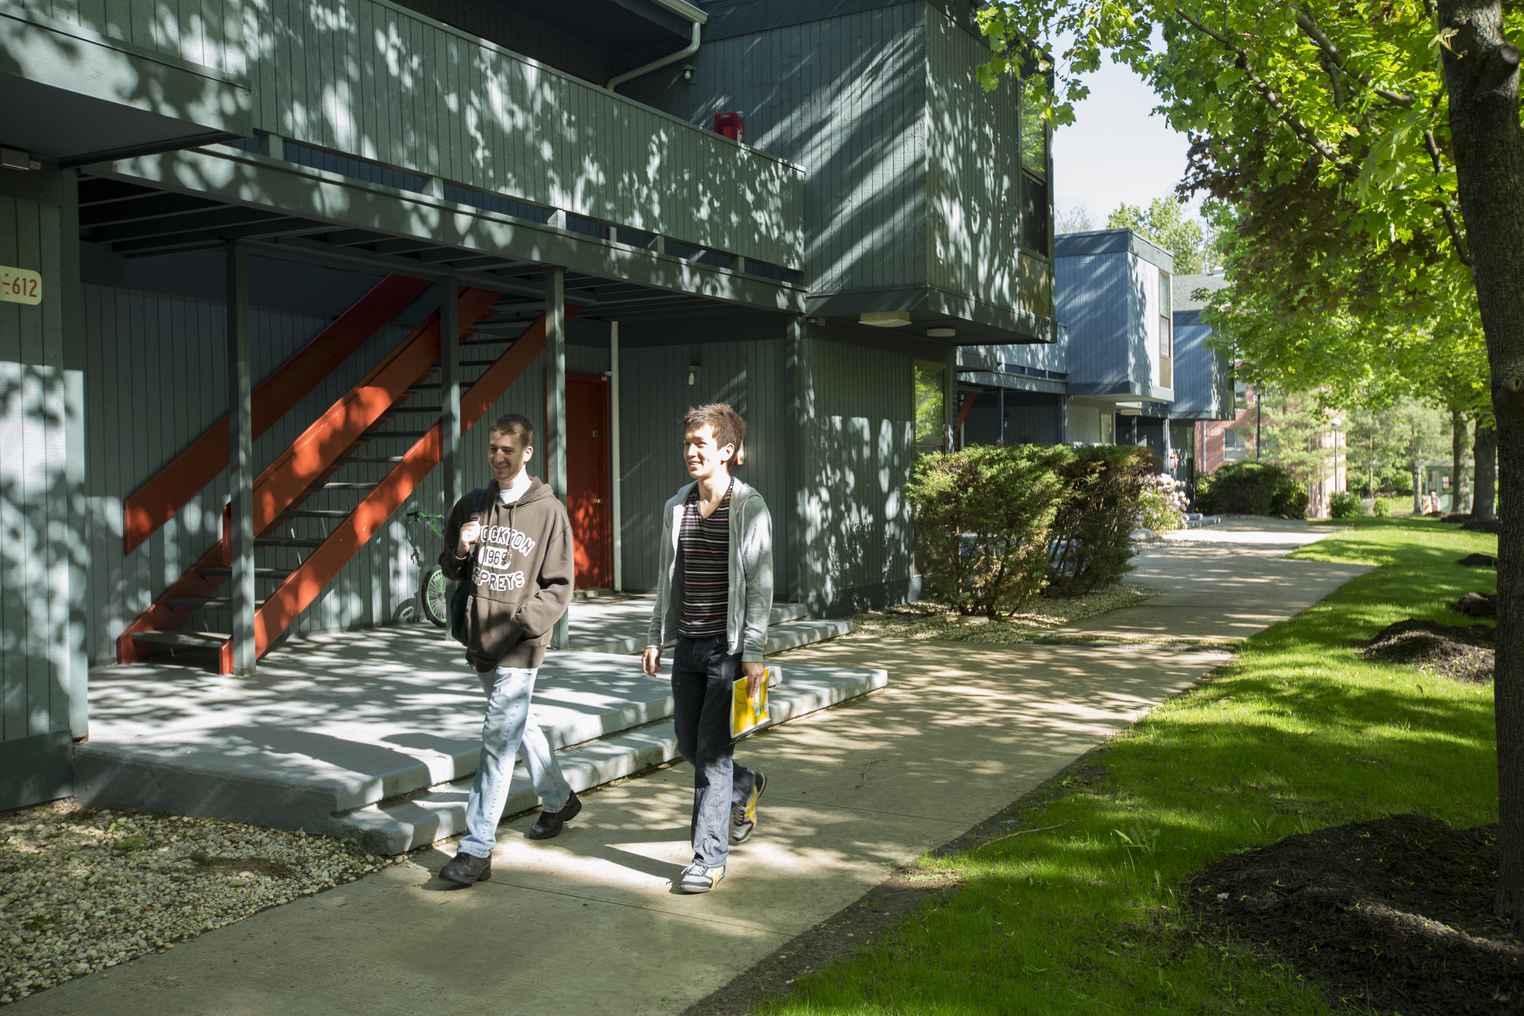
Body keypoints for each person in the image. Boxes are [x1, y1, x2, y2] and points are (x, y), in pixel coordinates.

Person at [436, 412, 582, 886]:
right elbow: (452, 572)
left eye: (507, 450)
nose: (498, 457)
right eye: (492, 448)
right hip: (480, 641)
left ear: (527, 452)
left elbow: (559, 586)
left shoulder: (548, 511)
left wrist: (523, 624)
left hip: (520, 645)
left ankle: (477, 848)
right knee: (520, 728)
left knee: (497, 741)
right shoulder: (474, 505)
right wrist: (461, 547)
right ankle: (559, 799)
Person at [642, 403, 773, 894]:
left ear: (727, 451)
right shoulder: (677, 506)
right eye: (687, 443)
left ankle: (708, 857)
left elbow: (759, 586)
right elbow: (665, 579)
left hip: (727, 649)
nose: (691, 452)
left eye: (701, 443)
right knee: (687, 744)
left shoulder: (749, 507)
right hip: (688, 646)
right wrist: (656, 636)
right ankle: (745, 785)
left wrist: (754, 650)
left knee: (713, 754)